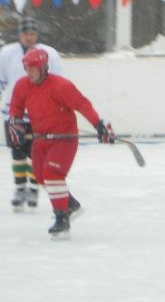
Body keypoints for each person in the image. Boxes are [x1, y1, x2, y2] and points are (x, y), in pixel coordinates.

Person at [7, 47, 114, 239]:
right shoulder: (22, 86)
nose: (29, 72)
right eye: (27, 68)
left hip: (64, 140)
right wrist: (16, 124)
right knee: (41, 177)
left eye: (33, 68)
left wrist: (99, 124)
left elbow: (83, 105)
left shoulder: (61, 86)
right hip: (40, 139)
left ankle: (62, 218)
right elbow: (15, 107)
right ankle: (70, 204)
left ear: (43, 67)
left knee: (52, 174)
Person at [0, 16, 64, 212]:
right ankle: (20, 187)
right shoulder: (6, 53)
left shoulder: (49, 54)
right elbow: (1, 80)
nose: (29, 37)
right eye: (26, 34)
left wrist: (59, 107)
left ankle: (34, 188)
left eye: (33, 34)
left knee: (37, 153)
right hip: (13, 111)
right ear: (20, 34)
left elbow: (59, 82)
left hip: (40, 113)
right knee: (17, 152)